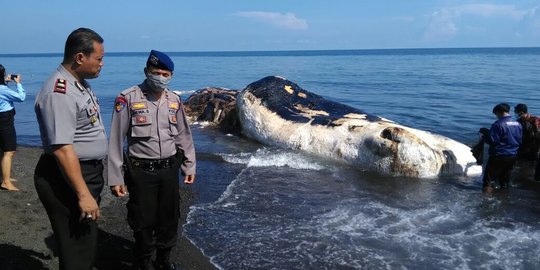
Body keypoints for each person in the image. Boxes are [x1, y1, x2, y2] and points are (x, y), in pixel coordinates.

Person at [107, 50, 196, 270]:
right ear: (147, 72)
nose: (161, 77)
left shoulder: (174, 100)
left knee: (169, 219)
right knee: (142, 221)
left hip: (168, 170)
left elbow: (183, 134)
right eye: (156, 72)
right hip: (140, 171)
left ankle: (163, 260)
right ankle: (143, 262)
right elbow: (116, 140)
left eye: (166, 74)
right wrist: (115, 176)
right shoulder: (128, 98)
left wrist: (189, 165)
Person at [34, 28, 106, 270]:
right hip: (67, 176)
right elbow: (63, 149)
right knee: (77, 250)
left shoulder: (78, 84)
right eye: (98, 58)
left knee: (84, 244)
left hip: (82, 173)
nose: (101, 64)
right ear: (79, 58)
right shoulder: (59, 92)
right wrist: (83, 195)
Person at [479, 103, 522, 193]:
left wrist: (483, 137)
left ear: (499, 112)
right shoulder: (518, 123)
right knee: (505, 180)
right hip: (512, 155)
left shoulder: (498, 124)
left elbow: (493, 141)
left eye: (496, 114)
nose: (496, 116)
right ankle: (504, 200)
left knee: (488, 181)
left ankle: (485, 202)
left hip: (499, 156)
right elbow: (519, 139)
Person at [0, 64, 26, 191]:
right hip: (5, 121)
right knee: (9, 151)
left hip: (2, 119)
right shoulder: (3, 90)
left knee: (2, 149)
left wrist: (5, 81)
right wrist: (18, 84)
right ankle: (5, 182)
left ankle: (5, 177)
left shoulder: (3, 88)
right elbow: (21, 97)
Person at [514, 103, 540, 181]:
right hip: (522, 145)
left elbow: (538, 134)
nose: (515, 113)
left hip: (533, 146)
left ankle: (530, 177)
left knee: (532, 163)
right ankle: (523, 176)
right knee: (520, 163)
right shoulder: (518, 121)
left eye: (516, 111)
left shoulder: (535, 120)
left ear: (521, 112)